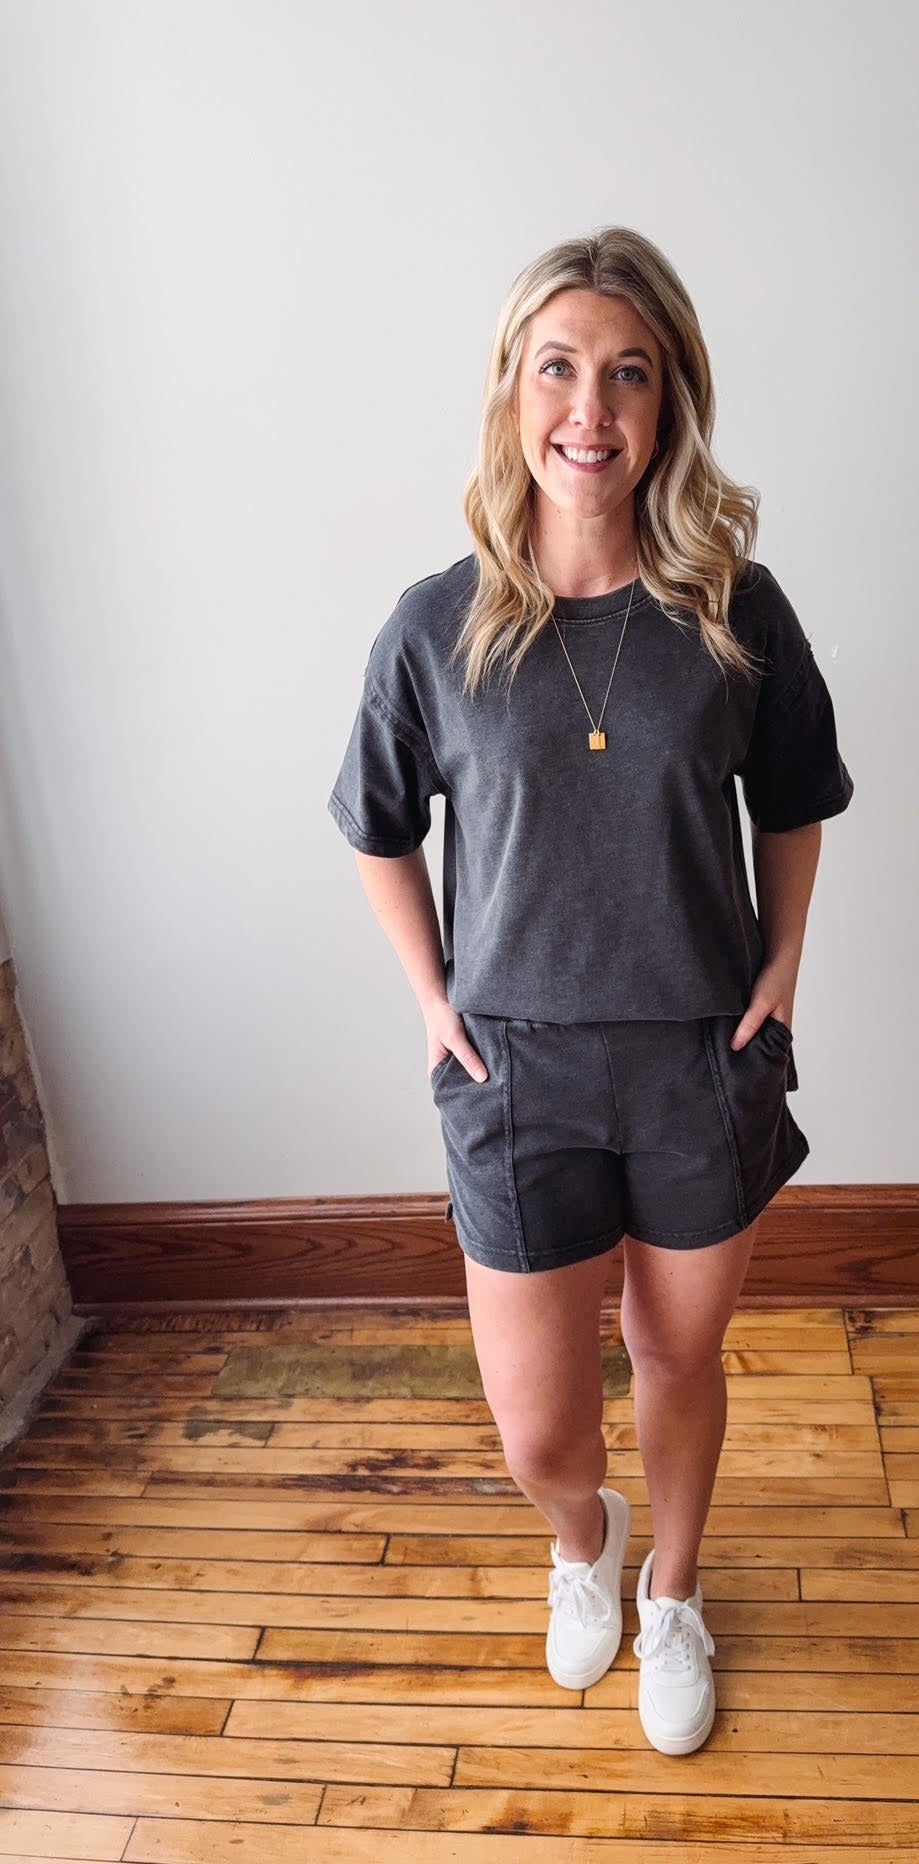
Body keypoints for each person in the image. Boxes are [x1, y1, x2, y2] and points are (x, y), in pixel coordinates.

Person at [328, 225, 854, 1756]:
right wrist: (433, 995)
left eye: (628, 373)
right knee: (540, 1429)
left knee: (679, 1356)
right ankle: (586, 1544)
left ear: (669, 399)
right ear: (511, 394)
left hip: (697, 1058)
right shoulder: (439, 625)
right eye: (558, 368)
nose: (590, 408)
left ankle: (674, 1594)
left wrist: (780, 966)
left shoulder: (732, 611)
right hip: (518, 1077)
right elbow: (373, 824)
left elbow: (795, 800)